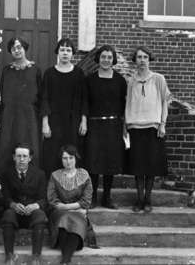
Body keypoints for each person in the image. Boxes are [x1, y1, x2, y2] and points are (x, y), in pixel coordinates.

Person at [125, 46, 170, 213]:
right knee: (138, 165)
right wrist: (126, 125)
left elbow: (165, 101)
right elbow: (128, 103)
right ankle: (139, 199)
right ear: (135, 60)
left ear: (149, 59)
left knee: (151, 166)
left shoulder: (158, 79)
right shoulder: (131, 81)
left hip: (153, 127)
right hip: (135, 128)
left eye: (145, 57)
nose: (142, 60)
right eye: (138, 57)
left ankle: (148, 199)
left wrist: (162, 123)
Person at [84, 45, 127, 209]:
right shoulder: (90, 79)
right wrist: (85, 121)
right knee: (94, 161)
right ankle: (93, 196)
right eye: (103, 57)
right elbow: (85, 103)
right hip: (94, 124)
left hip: (113, 125)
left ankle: (107, 197)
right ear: (98, 59)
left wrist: (123, 124)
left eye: (109, 57)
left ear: (113, 59)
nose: (106, 60)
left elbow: (124, 104)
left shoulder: (120, 80)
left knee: (110, 162)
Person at [41, 38, 87, 177]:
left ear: (72, 53)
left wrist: (84, 121)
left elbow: (84, 99)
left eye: (68, 50)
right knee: (52, 155)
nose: (65, 53)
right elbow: (44, 99)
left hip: (73, 122)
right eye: (62, 50)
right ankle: (53, 190)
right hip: (54, 122)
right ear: (57, 53)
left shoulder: (79, 74)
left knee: (72, 154)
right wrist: (45, 123)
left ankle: (72, 189)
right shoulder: (49, 73)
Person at [0, 37, 42, 168]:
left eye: (19, 47)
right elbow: (1, 93)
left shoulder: (35, 70)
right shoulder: (6, 70)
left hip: (29, 116)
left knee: (30, 145)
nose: (16, 51)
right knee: (7, 146)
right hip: (10, 117)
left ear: (25, 48)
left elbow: (41, 96)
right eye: (13, 49)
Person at [1, 143, 48, 265]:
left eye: (25, 156)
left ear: (30, 158)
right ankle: (9, 256)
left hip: (32, 213)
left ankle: (36, 256)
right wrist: (13, 205)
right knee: (7, 215)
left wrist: (35, 205)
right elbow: (4, 197)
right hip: (15, 213)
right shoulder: (7, 174)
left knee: (40, 215)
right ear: (14, 157)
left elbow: (44, 198)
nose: (22, 159)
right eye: (19, 156)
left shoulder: (39, 174)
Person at [47, 145, 93, 265]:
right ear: (61, 160)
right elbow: (52, 199)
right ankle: (66, 260)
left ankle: (65, 260)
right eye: (65, 158)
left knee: (75, 228)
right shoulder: (55, 175)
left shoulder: (84, 175)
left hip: (78, 212)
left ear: (76, 158)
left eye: (71, 158)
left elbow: (86, 200)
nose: (68, 162)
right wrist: (68, 209)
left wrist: (68, 207)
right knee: (63, 222)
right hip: (59, 212)